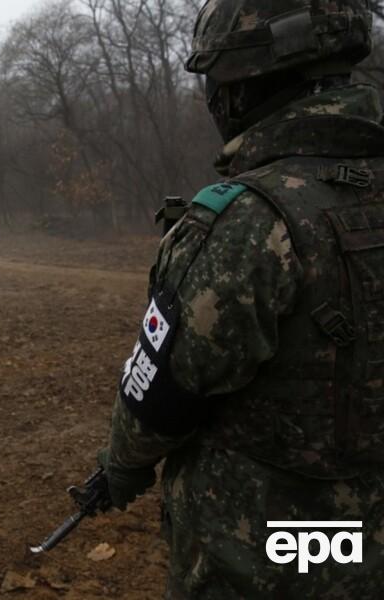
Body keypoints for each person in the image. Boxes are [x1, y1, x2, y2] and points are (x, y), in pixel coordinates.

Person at [97, 1, 384, 597]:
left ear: (245, 83)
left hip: (267, 558)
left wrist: (119, 470)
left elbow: (162, 394)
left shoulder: (247, 220)